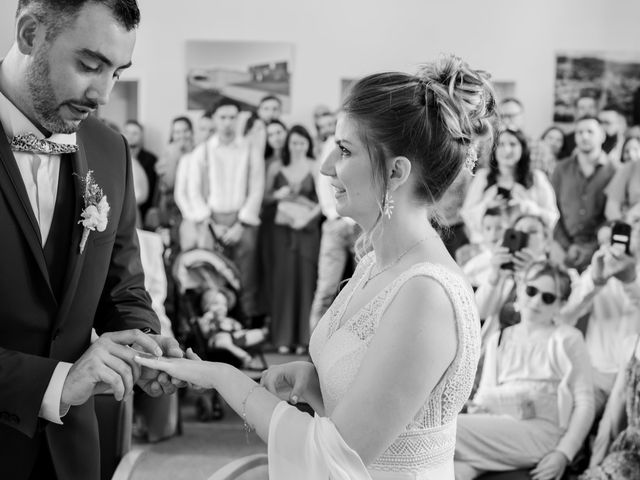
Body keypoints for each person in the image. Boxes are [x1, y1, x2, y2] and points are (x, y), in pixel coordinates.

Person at [135, 54, 495, 479]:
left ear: (396, 172)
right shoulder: (373, 265)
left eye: (344, 150)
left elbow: (335, 455)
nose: (325, 167)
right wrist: (316, 384)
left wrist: (222, 377)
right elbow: (381, 422)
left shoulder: (425, 294)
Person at [0, 1, 184, 479]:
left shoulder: (109, 148)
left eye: (118, 72)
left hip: (73, 454)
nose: (103, 94)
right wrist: (56, 382)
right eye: (89, 64)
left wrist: (143, 341)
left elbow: (123, 286)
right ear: (28, 34)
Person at [455, 261, 595, 480]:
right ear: (520, 289)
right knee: (451, 471)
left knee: (446, 430)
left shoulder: (567, 339)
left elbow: (585, 402)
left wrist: (563, 453)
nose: (537, 301)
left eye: (548, 297)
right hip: (497, 427)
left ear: (559, 304)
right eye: (532, 291)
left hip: (541, 434)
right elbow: (484, 398)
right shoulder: (498, 339)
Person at [264, 124, 322, 354]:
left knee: (307, 281)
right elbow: (265, 199)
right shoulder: (277, 166)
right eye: (294, 142)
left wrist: (308, 218)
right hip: (282, 231)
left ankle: (305, 339)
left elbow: (325, 200)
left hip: (308, 230)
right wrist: (277, 195)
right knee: (283, 282)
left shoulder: (315, 166)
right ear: (288, 144)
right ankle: (282, 337)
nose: (297, 147)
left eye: (302, 143)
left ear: (308, 144)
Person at [460, 128, 558, 244]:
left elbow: (552, 216)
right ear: (494, 149)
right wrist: (487, 206)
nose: (507, 150)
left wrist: (529, 207)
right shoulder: (483, 177)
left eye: (513, 144)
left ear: (523, 148)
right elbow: (466, 214)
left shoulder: (537, 177)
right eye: (501, 144)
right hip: (489, 246)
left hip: (526, 244)